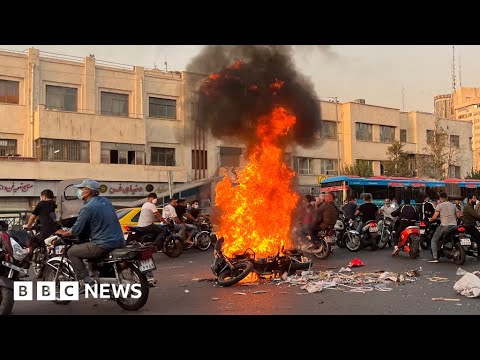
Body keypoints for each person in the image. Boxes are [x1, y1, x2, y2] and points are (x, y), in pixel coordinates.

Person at [55, 179, 125, 290]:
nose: (79, 191)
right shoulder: (106, 201)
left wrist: (64, 232)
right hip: (120, 241)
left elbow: (76, 230)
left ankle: (87, 281)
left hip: (103, 244)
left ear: (88, 191)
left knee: (72, 252)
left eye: (81, 189)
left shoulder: (88, 207)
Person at [427, 192, 458, 263]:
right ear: (447, 198)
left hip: (445, 226)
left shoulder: (440, 205)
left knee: (434, 240)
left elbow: (434, 217)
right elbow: (458, 215)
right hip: (454, 225)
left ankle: (435, 257)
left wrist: (430, 220)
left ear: (440, 198)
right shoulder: (453, 205)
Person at [462, 194, 480, 261]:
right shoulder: (468, 207)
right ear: (470, 199)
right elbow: (476, 215)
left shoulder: (470, 206)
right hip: (469, 225)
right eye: (474, 198)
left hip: (470, 224)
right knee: (479, 237)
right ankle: (479, 254)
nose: (475, 200)